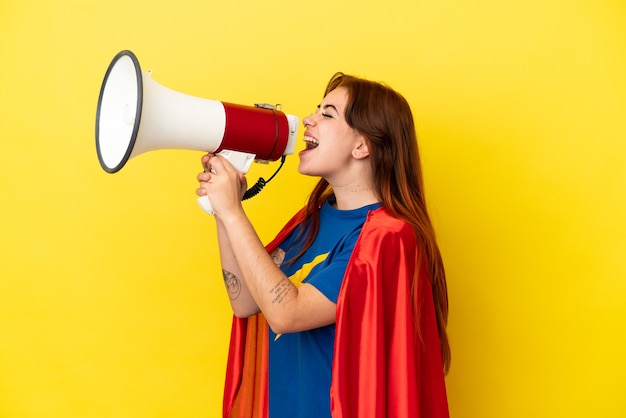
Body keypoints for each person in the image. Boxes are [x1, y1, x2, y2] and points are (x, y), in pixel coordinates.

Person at [196, 72, 450, 418]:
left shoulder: (387, 237)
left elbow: (288, 313)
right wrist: (223, 213)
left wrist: (233, 212)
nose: (308, 121)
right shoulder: (313, 219)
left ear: (362, 146)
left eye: (327, 114)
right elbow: (245, 303)